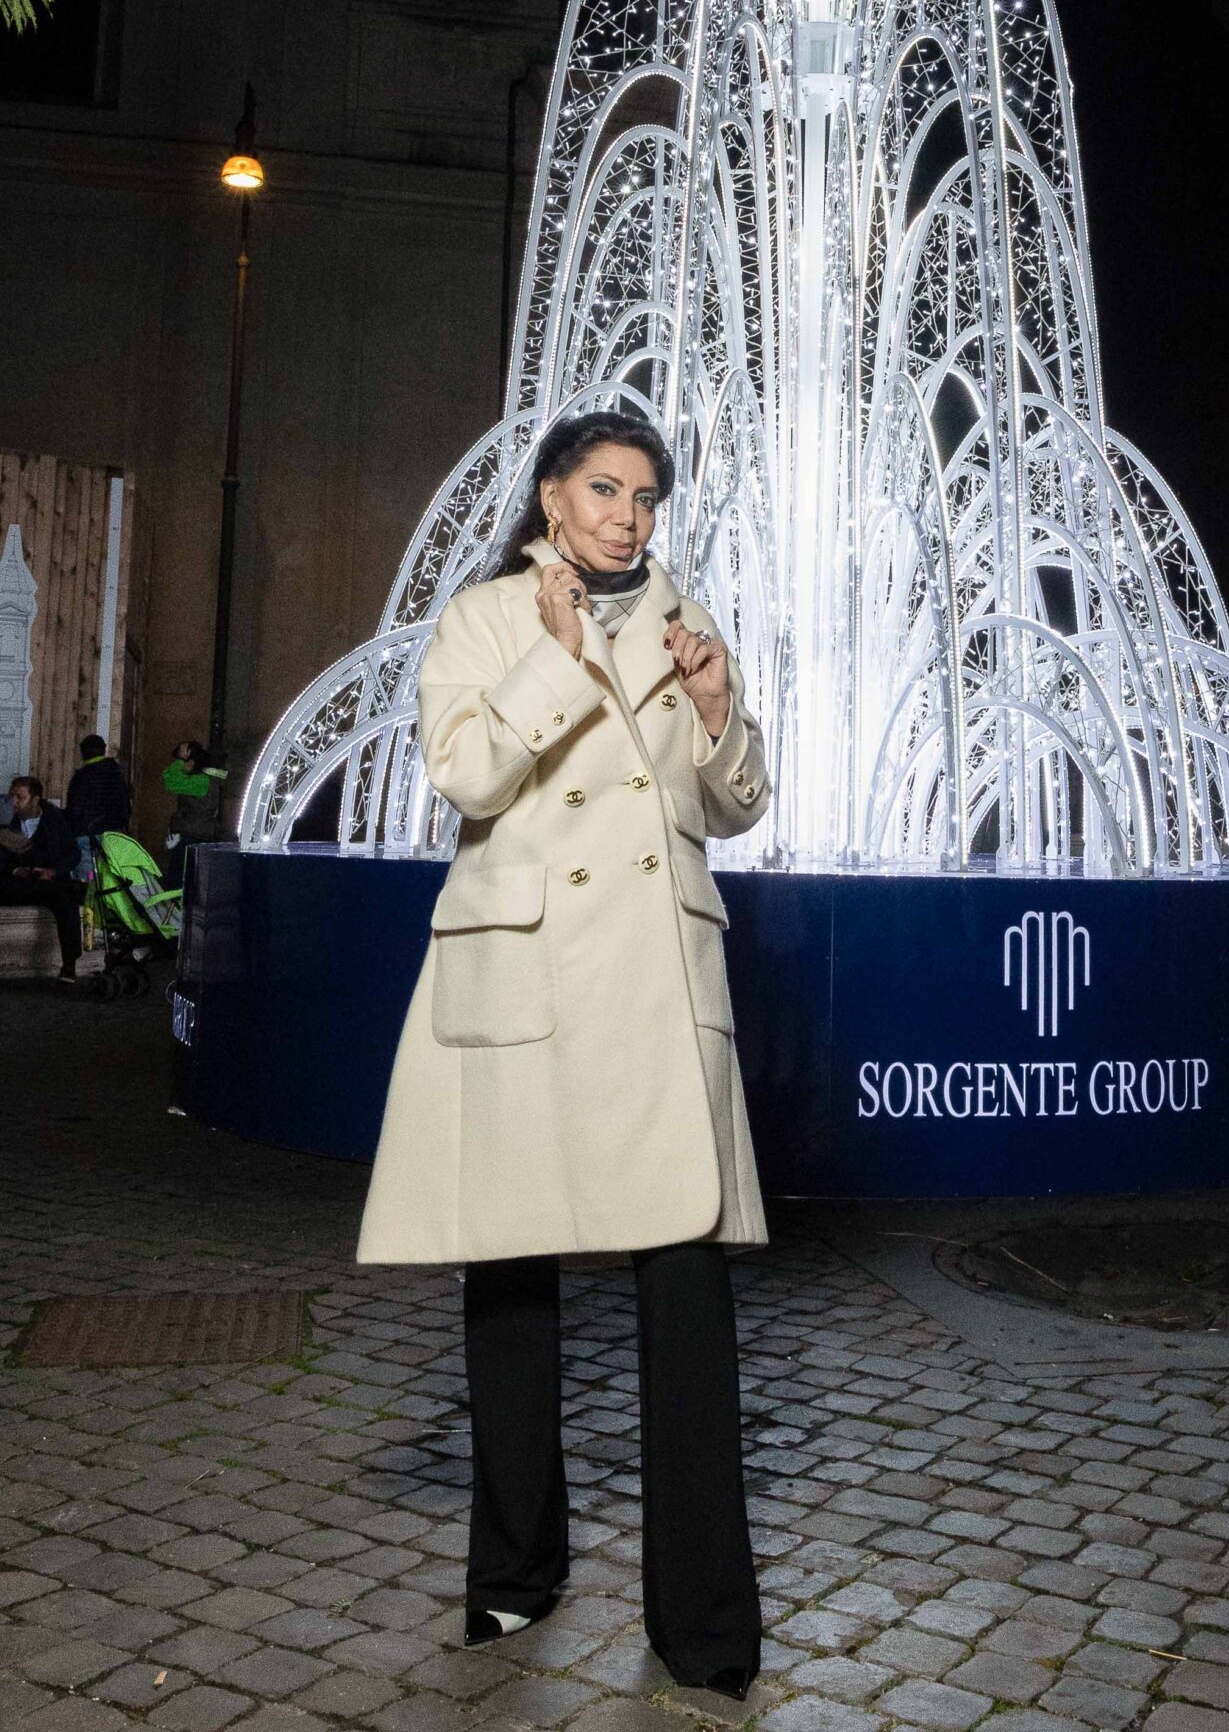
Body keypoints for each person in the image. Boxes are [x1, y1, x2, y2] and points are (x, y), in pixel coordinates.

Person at [358, 412, 771, 1687]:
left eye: (646, 495)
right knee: (512, 1288)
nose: (628, 514)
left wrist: (715, 710)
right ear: (553, 494)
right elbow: (466, 777)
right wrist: (549, 661)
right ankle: (511, 1576)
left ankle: (704, 1627)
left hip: (653, 976)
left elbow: (740, 805)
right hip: (530, 968)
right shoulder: (485, 616)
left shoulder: (689, 620)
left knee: (688, 1297)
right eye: (605, 487)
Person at [0, 775, 85, 980]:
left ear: (35, 799)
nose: (15, 803)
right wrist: (14, 870)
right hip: (16, 882)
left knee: (66, 898)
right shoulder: (7, 821)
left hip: (46, 882)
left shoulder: (54, 820)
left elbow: (73, 854)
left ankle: (69, 964)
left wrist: (53, 872)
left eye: (20, 798)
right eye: (13, 797)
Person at [161, 740, 228, 885]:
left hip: (191, 834)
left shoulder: (200, 782)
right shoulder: (213, 776)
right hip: (204, 833)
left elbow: (169, 780)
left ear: (191, 762)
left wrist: (180, 759)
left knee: (178, 880)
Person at [67, 735, 132, 844]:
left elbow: (75, 810)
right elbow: (125, 806)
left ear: (83, 753)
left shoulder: (81, 777)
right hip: (113, 834)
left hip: (88, 834)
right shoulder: (116, 773)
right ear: (103, 749)